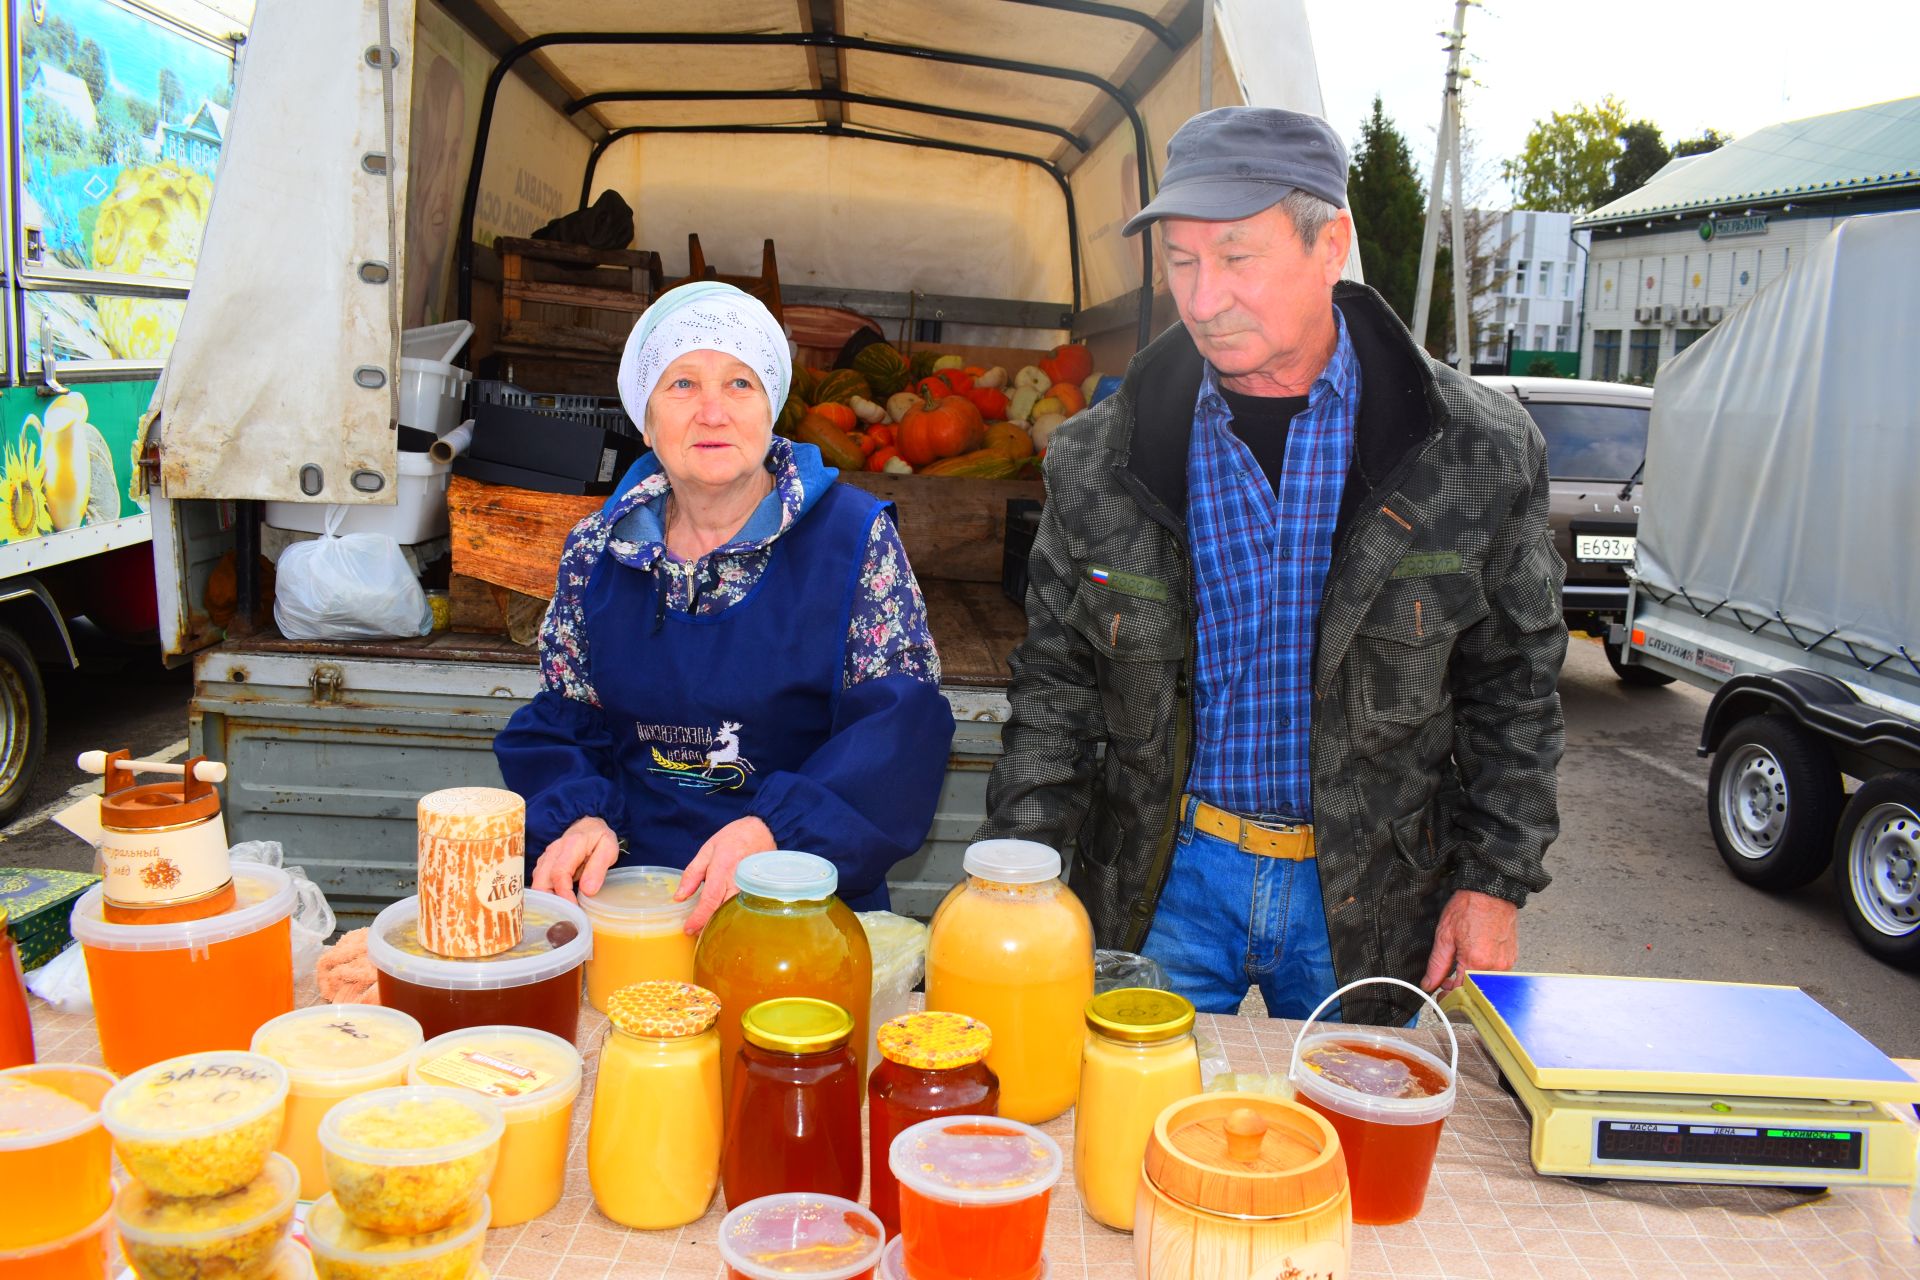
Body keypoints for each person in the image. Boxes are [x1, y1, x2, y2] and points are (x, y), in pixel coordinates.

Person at [978, 108, 1567, 1028]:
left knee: (1351, 1151)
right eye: (1181, 261)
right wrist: (1016, 872)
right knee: (1133, 1136)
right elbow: (1055, 693)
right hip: (1160, 880)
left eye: (1237, 258)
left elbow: (1516, 690)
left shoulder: (1475, 450)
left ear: (1331, 243)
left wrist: (1494, 883)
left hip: (1374, 895)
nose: (1203, 298)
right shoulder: (1100, 456)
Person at [494, 281, 955, 930]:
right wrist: (575, 816)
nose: (712, 412)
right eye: (682, 385)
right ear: (646, 420)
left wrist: (778, 834)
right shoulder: (598, 549)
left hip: (799, 909)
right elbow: (568, 715)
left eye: (739, 384)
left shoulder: (851, 538)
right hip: (630, 909)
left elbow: (899, 727)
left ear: (772, 408)